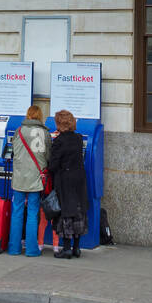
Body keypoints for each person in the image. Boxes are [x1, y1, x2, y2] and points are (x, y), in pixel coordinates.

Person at [8, 105, 50, 257]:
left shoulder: (18, 131)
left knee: (17, 212)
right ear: (40, 116)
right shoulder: (45, 133)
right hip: (36, 179)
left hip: (19, 177)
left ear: (27, 115)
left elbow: (13, 151)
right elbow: (48, 156)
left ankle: (14, 248)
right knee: (33, 213)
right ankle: (32, 250)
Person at [48, 109, 89, 259]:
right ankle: (76, 248)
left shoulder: (59, 141)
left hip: (65, 180)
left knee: (66, 212)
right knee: (78, 212)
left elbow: (53, 165)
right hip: (79, 179)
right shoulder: (78, 138)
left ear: (59, 123)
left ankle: (66, 249)